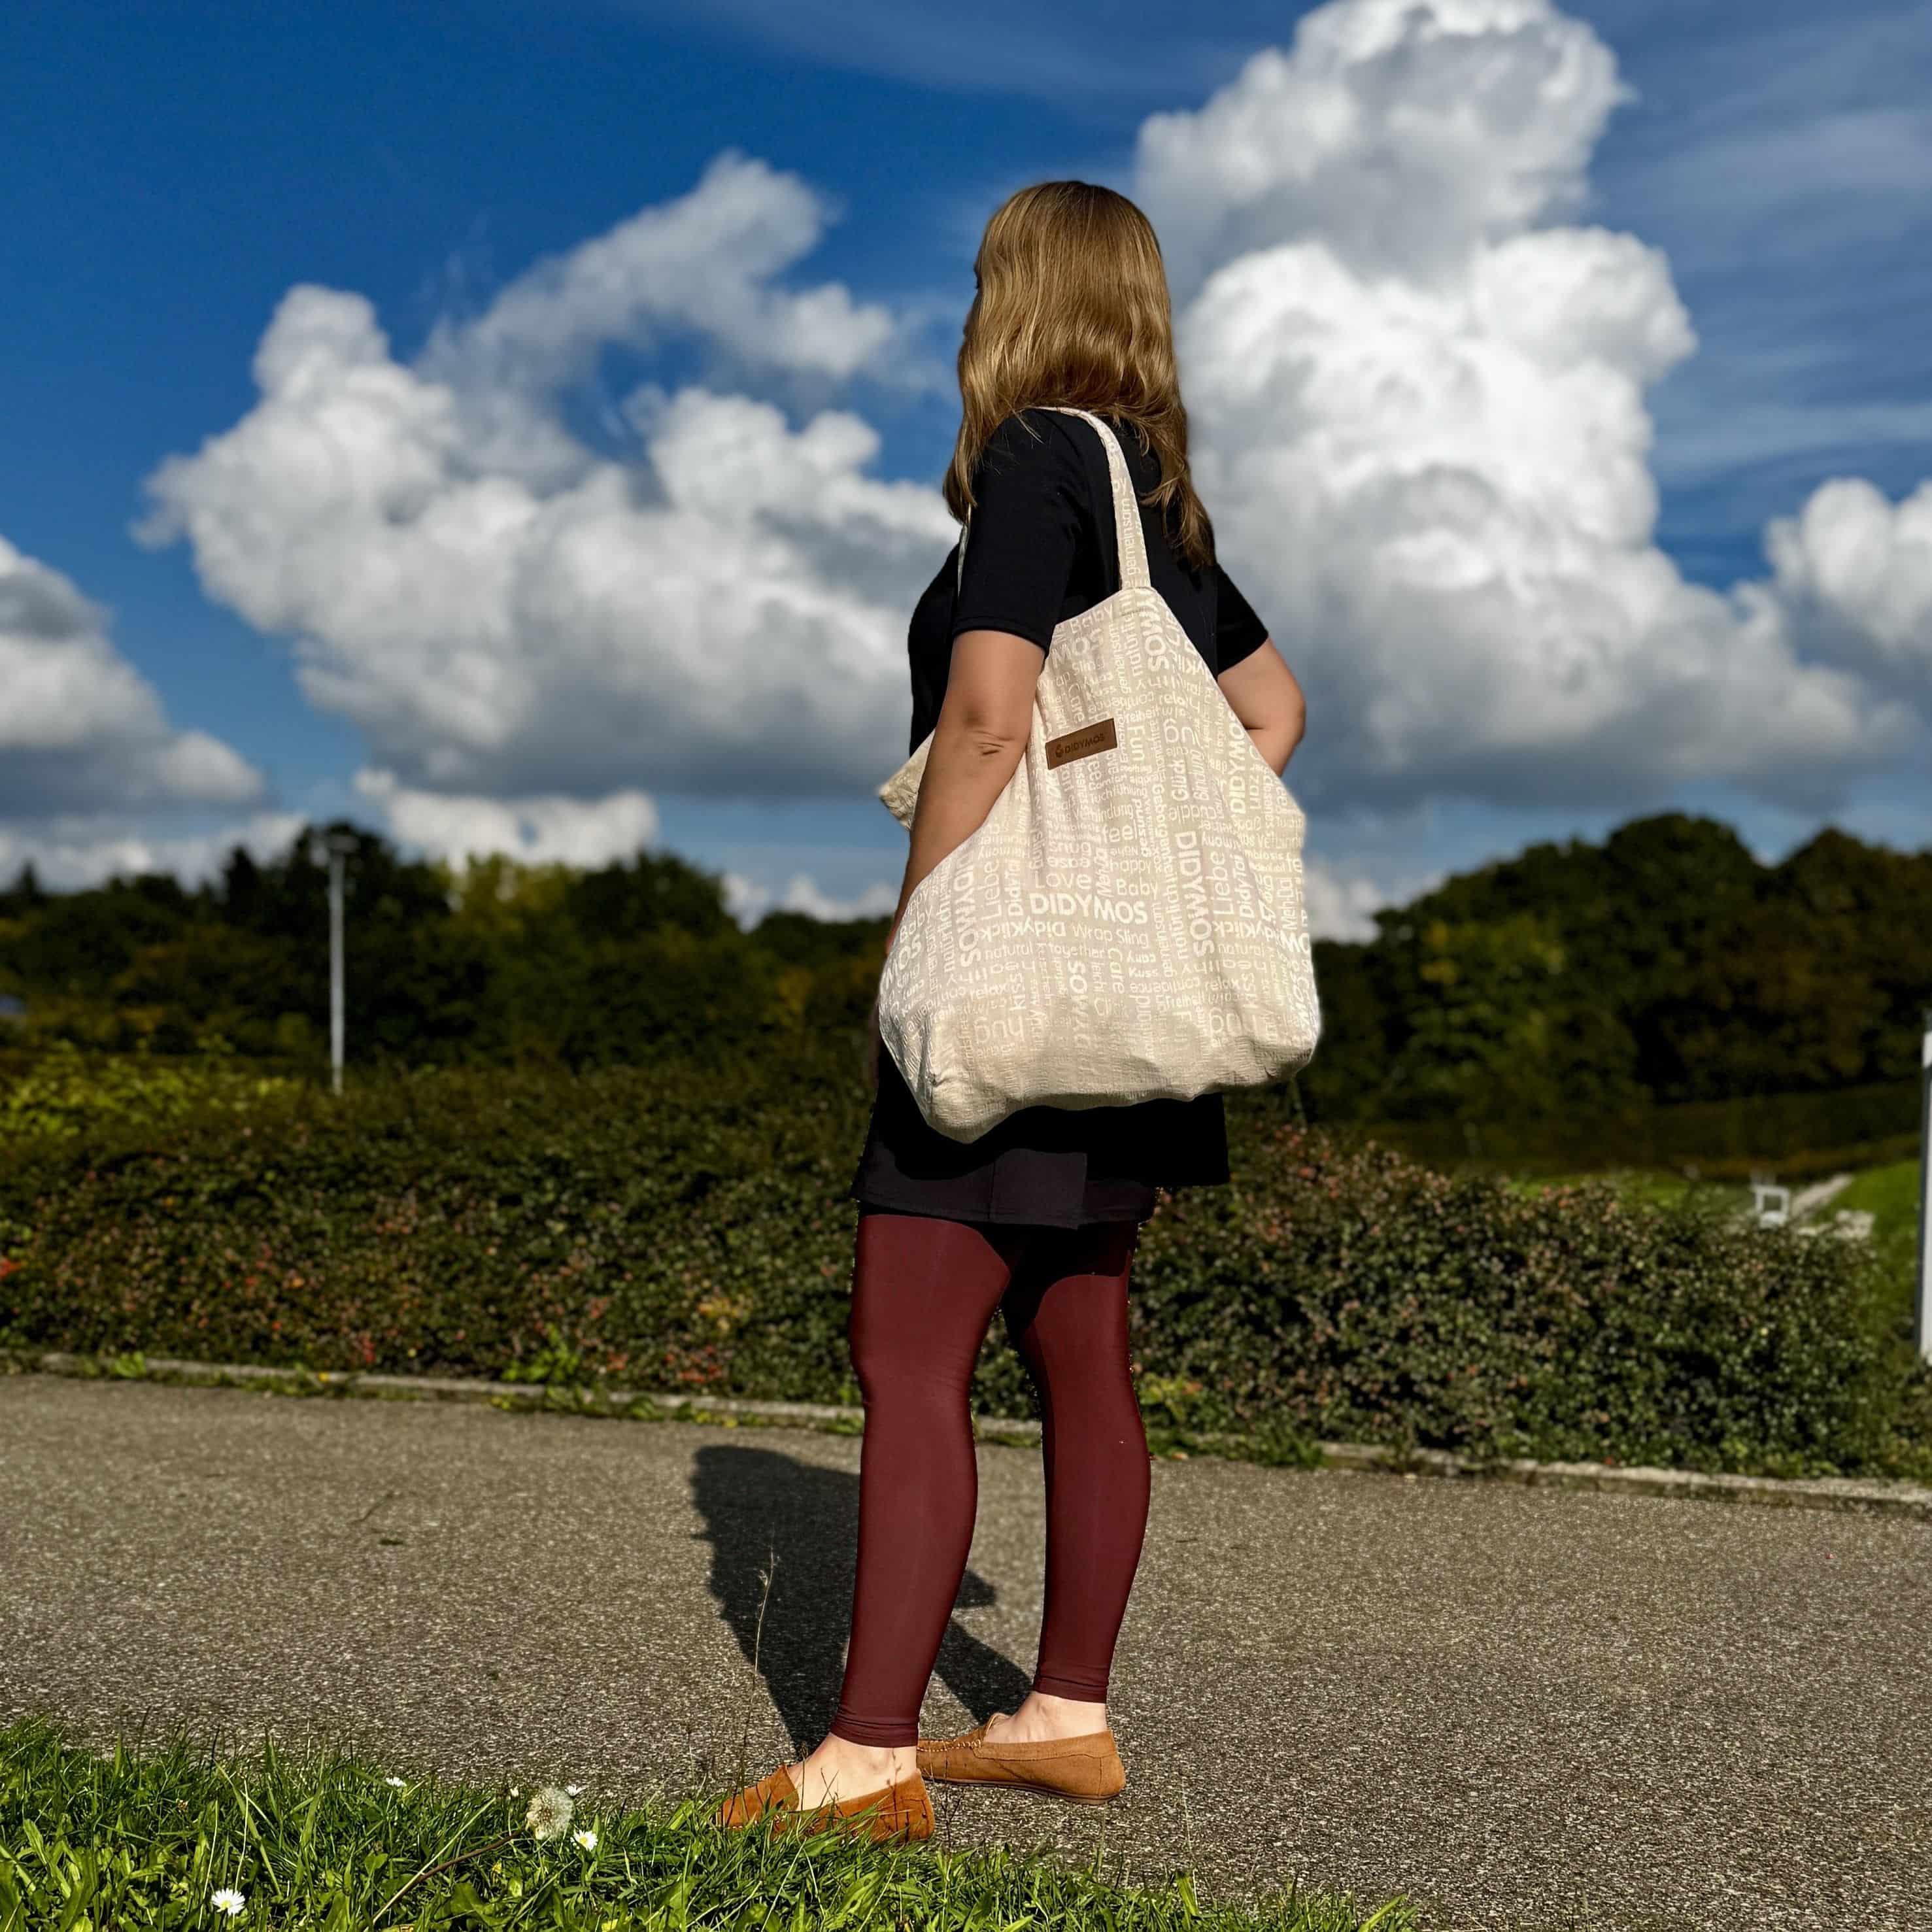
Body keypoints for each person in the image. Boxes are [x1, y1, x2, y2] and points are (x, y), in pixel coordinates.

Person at [717, 179, 1308, 1843]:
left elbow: (983, 721)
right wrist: (1139, 852)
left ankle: (863, 1757)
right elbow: (1272, 711)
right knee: (1079, 1348)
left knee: (905, 1347)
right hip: (1127, 1009)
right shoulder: (1166, 511)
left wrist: (932, 934)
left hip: (1008, 995)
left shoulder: (1038, 461)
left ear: (1014, 297)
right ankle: (1062, 1713)